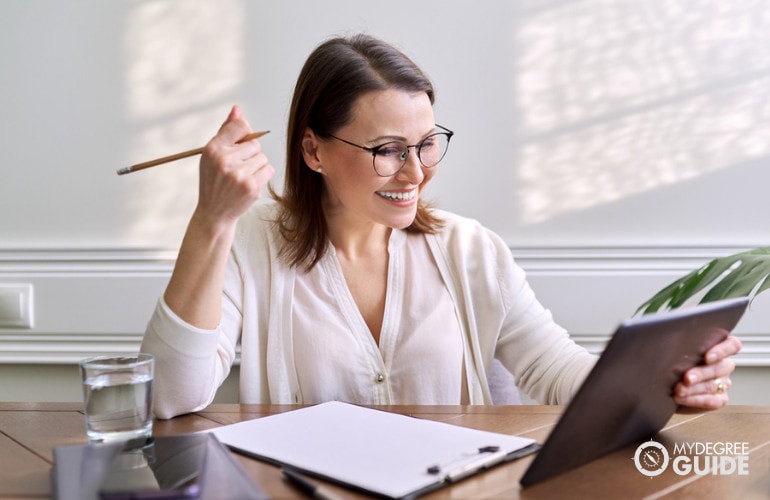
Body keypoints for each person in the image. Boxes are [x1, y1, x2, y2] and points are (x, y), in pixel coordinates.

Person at [141, 33, 741, 419]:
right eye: (387, 149)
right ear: (313, 150)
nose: (416, 172)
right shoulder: (251, 243)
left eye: (426, 144)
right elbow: (169, 395)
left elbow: (555, 370)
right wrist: (211, 219)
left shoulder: (471, 250)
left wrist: (664, 382)